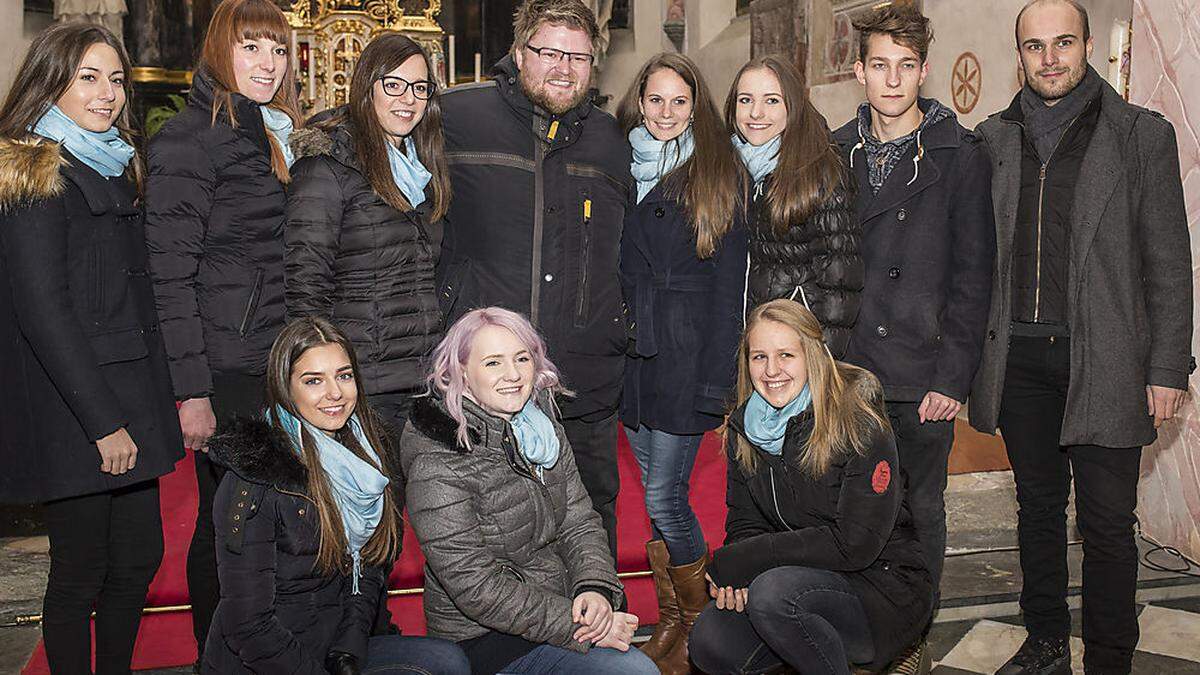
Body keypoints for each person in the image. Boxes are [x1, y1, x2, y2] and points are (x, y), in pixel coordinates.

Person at [969, 2, 1193, 673]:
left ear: (1088, 44)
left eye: (1063, 42)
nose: (1050, 58)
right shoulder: (992, 140)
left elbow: (1169, 264)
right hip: (1021, 358)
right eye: (1035, 46)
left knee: (1106, 525)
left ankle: (1109, 658)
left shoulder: (1139, 137)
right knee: (1037, 509)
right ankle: (1044, 641)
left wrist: (1168, 368)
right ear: (1020, 55)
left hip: (1109, 360)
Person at [0, 23, 184, 673]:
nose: (107, 94)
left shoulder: (108, 158)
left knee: (137, 557)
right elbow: (42, 308)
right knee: (81, 571)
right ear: (51, 81)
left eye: (115, 79)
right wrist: (102, 421)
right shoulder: (33, 163)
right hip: (79, 405)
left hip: (132, 389)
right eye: (88, 77)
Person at [436, 0, 633, 558]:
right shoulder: (458, 116)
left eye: (579, 57)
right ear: (520, 53)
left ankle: (598, 633)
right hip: (483, 377)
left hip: (583, 372)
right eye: (550, 53)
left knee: (590, 520)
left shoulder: (610, 140)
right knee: (486, 529)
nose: (564, 68)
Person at [830, 6, 994, 665]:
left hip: (921, 371)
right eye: (879, 65)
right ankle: (855, 628)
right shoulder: (837, 149)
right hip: (851, 370)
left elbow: (974, 273)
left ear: (923, 70)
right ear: (858, 70)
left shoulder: (960, 153)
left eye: (905, 66)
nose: (892, 80)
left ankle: (911, 638)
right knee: (853, 511)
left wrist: (953, 377)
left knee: (919, 512)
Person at [143, 0, 299, 658]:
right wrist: (193, 390)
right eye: (252, 47)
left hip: (270, 360)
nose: (268, 63)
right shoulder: (189, 137)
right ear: (219, 52)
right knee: (232, 527)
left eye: (278, 49)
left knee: (260, 519)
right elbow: (168, 276)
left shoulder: (263, 131)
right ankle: (223, 657)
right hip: (228, 367)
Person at [201, 316, 469, 674]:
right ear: (285, 387)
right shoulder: (257, 476)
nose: (335, 393)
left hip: (333, 646)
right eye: (314, 381)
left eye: (344, 376)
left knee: (446, 662)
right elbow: (248, 626)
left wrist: (348, 651)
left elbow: (369, 569)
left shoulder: (365, 457)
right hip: (267, 662)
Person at [400, 308, 658, 675]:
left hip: (555, 603)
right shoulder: (438, 459)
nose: (513, 374)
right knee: (633, 671)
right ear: (458, 373)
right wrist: (577, 626)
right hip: (482, 634)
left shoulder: (540, 425)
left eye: (522, 358)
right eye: (492, 363)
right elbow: (476, 587)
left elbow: (579, 521)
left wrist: (595, 589)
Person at [689, 299, 933, 675]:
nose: (771, 371)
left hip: (882, 587)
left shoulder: (858, 421)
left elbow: (855, 543)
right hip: (794, 580)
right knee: (710, 640)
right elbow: (745, 522)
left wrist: (745, 561)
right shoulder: (746, 429)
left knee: (773, 595)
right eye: (759, 357)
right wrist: (740, 573)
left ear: (812, 357)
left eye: (786, 354)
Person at [614, 52, 747, 674]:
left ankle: (697, 621)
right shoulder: (622, 165)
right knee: (652, 493)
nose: (666, 113)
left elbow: (729, 291)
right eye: (655, 99)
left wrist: (718, 379)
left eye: (679, 101)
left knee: (666, 497)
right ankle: (671, 614)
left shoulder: (719, 173)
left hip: (687, 355)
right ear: (639, 102)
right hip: (636, 356)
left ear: (697, 106)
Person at [286, 32, 450, 447]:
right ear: (366, 88)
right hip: (361, 380)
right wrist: (321, 378)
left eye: (419, 87)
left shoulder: (422, 167)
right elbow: (306, 280)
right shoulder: (329, 165)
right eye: (392, 85)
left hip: (422, 374)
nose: (407, 99)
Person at [727, 55, 862, 357]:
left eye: (772, 100)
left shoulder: (821, 171)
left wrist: (821, 363)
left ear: (794, 105)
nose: (756, 113)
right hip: (747, 347)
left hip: (797, 350)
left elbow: (840, 281)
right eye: (745, 100)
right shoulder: (729, 169)